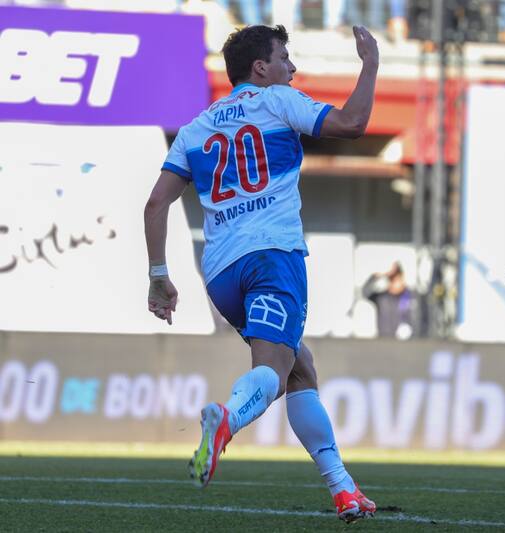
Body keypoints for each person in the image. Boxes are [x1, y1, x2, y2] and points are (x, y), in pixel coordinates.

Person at [144, 24, 380, 523]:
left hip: (222, 273)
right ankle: (226, 420)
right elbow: (354, 123)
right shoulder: (278, 101)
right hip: (273, 256)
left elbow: (156, 204)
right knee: (273, 370)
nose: (291, 69)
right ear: (261, 68)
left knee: (300, 368)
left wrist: (159, 275)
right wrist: (370, 63)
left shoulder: (196, 128)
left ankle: (343, 489)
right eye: (285, 59)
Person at [362, 261, 415, 338]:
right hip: (385, 342)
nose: (394, 282)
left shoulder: (411, 296)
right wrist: (375, 276)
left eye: (396, 278)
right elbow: (365, 292)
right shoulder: (382, 297)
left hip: (408, 344)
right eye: (391, 279)